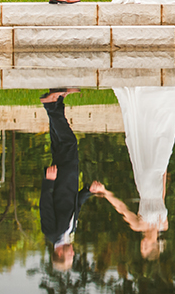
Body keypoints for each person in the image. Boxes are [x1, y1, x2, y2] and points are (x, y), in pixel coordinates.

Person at [90, 86, 175, 260]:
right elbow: (162, 197)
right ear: (153, 246)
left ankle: (143, 103)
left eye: (141, 247)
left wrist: (105, 193)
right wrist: (165, 170)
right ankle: (174, 94)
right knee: (162, 138)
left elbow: (122, 208)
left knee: (141, 136)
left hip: (143, 177)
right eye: (145, 248)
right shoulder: (164, 224)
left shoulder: (138, 226)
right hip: (157, 174)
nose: (141, 245)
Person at [38, 88, 106, 272]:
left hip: (60, 177)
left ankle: (51, 105)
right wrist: (88, 192)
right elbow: (75, 206)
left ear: (59, 254)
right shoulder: (69, 232)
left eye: (69, 258)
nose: (73, 255)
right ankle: (56, 101)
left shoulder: (52, 232)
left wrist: (49, 181)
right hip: (70, 178)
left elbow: (45, 205)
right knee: (59, 142)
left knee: (69, 143)